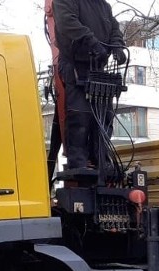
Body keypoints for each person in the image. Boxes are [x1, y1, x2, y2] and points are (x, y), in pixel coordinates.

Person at [52, 0, 127, 170]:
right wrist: (91, 41)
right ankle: (78, 162)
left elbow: (114, 27)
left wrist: (117, 46)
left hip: (98, 66)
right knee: (80, 115)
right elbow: (67, 23)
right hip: (76, 64)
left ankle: (101, 160)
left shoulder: (103, 6)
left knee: (104, 117)